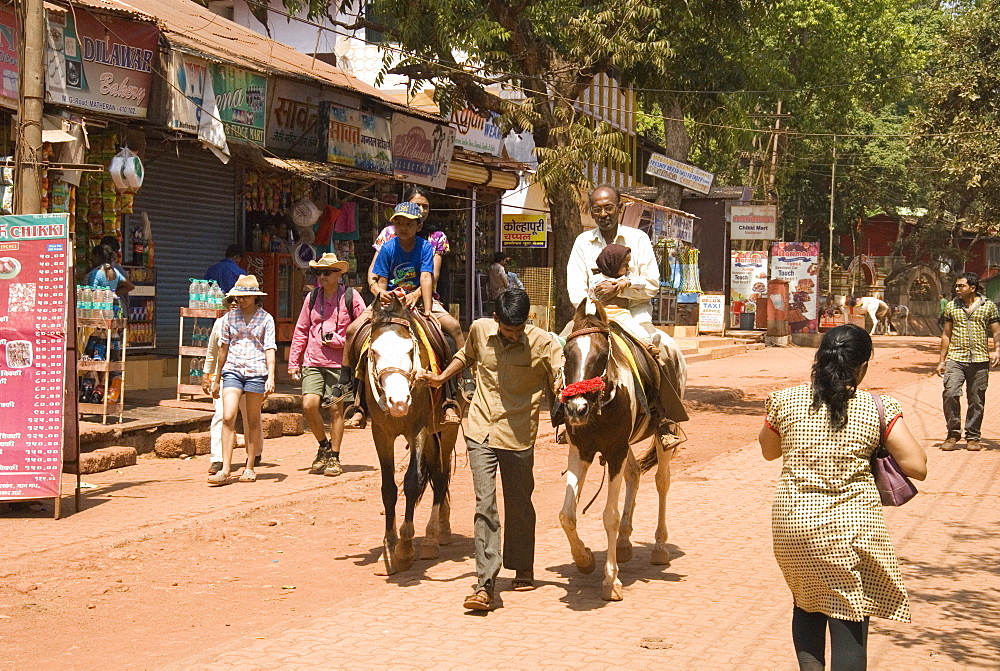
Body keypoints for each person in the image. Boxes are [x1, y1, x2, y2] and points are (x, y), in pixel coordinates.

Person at [758, 324, 927, 670]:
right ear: (863, 367)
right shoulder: (876, 408)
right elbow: (917, 466)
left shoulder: (785, 400)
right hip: (849, 533)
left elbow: (768, 451)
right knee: (850, 612)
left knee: (806, 604)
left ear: (818, 360)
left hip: (794, 527)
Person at [418, 289, 563, 612]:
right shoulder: (482, 330)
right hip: (481, 430)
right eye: (507, 329)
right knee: (485, 504)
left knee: (519, 503)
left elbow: (560, 376)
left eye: (518, 329)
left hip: (518, 435)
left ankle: (522, 563)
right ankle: (485, 584)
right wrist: (441, 377)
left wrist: (563, 394)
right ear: (496, 320)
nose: (513, 335)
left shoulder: (544, 343)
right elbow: (466, 355)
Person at [566, 185, 687, 432]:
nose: (603, 214)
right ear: (591, 211)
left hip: (634, 314)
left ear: (620, 208)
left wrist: (621, 288)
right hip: (592, 317)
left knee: (659, 353)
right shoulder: (582, 243)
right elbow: (576, 290)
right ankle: (562, 415)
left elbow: (652, 283)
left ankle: (663, 421)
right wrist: (595, 313)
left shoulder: (638, 239)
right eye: (597, 209)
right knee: (561, 351)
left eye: (609, 207)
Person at [344, 198, 465, 427]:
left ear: (418, 226)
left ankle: (457, 385)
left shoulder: (425, 247)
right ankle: (352, 393)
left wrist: (427, 308)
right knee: (352, 331)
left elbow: (427, 277)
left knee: (452, 329)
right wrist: (380, 294)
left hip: (419, 300)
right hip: (389, 303)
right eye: (399, 223)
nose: (403, 228)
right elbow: (379, 279)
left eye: (409, 224)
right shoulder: (389, 247)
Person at [288, 253, 366, 477]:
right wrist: (294, 361)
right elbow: (302, 329)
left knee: (335, 410)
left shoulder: (352, 297)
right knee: (309, 405)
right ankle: (323, 446)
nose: (321, 276)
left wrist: (341, 342)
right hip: (313, 360)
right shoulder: (312, 298)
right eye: (318, 272)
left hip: (341, 363)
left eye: (326, 272)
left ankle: (335, 456)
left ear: (338, 274)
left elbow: (363, 326)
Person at [209, 275, 276, 485]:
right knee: (228, 416)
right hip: (233, 370)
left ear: (255, 297)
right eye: (239, 297)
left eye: (246, 297)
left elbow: (269, 348)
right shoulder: (229, 318)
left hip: (257, 371)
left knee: (253, 420)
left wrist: (271, 376)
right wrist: (216, 377)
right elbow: (223, 348)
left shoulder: (266, 319)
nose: (241, 300)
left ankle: (249, 466)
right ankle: (226, 469)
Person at [937, 272, 1000, 451]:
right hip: (956, 358)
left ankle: (973, 436)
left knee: (976, 399)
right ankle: (953, 433)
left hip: (980, 359)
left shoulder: (988, 306)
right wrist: (941, 361)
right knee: (950, 393)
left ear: (972, 288)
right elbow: (946, 334)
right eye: (956, 286)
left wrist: (997, 350)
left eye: (961, 286)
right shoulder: (951, 307)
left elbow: (996, 331)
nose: (957, 289)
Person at [202, 296, 250, 475]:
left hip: (250, 375)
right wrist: (208, 376)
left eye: (238, 301)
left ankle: (254, 452)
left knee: (250, 416)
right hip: (224, 377)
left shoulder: (257, 320)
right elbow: (212, 352)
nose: (235, 304)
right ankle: (217, 458)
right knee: (222, 415)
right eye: (231, 301)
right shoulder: (220, 323)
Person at [588, 243, 649, 342]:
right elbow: (591, 297)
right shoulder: (596, 279)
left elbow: (643, 283)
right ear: (613, 263)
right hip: (601, 314)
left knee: (641, 334)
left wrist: (627, 282)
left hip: (621, 314)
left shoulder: (626, 277)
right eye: (625, 264)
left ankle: (648, 346)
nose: (628, 266)